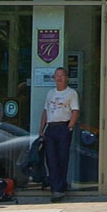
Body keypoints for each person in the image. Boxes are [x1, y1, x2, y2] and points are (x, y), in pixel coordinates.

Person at [39, 66, 79, 202]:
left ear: (66, 77)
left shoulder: (71, 93)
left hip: (63, 127)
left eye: (61, 75)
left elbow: (75, 111)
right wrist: (42, 129)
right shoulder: (50, 93)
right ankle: (55, 186)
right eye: (57, 76)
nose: (59, 78)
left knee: (62, 157)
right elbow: (45, 111)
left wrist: (70, 127)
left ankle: (59, 187)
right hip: (51, 127)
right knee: (51, 158)